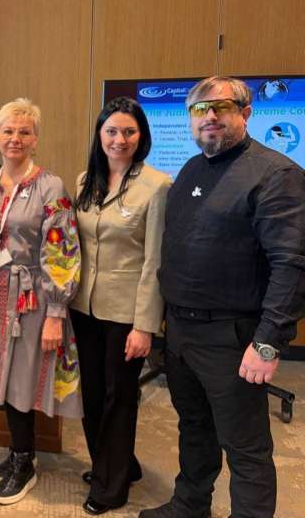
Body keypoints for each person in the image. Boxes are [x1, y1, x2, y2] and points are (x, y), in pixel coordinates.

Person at [140, 77, 305, 518]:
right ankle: (190, 505)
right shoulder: (191, 171)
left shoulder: (276, 175)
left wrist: (268, 343)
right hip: (181, 332)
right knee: (194, 429)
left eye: (222, 107)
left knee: (245, 447)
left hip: (233, 338)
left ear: (246, 113)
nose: (210, 116)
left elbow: (292, 265)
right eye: (199, 109)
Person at [0, 98, 82, 506]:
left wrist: (56, 312)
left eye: (24, 132)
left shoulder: (51, 187)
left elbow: (63, 251)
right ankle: (20, 449)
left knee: (23, 378)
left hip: (32, 298)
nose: (15, 138)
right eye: (8, 131)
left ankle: (24, 460)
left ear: (36, 139)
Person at [70, 97, 171, 515]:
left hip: (126, 313)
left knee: (119, 397)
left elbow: (155, 260)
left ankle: (111, 487)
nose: (119, 139)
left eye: (129, 131)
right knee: (92, 395)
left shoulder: (157, 186)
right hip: (83, 307)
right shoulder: (85, 181)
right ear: (99, 134)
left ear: (141, 136)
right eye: (111, 131)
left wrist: (145, 325)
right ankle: (116, 465)